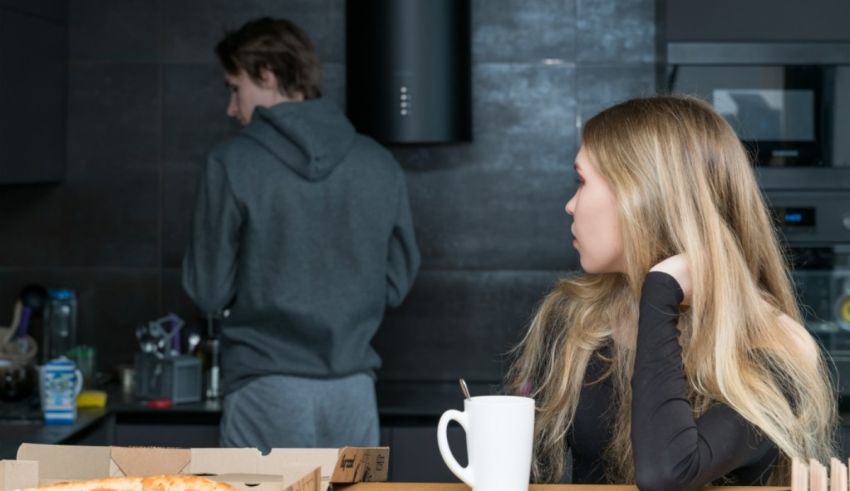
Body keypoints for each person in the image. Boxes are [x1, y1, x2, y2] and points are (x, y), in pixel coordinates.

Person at [507, 95, 836, 490]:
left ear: (643, 195)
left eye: (582, 181)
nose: (570, 205)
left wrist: (660, 292)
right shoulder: (574, 318)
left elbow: (667, 473)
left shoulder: (775, 347)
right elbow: (517, 472)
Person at [181, 17, 421, 450]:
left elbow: (208, 290)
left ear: (267, 74)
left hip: (263, 391)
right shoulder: (378, 162)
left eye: (234, 89)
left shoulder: (232, 162)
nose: (231, 108)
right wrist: (344, 303)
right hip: (353, 394)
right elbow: (398, 279)